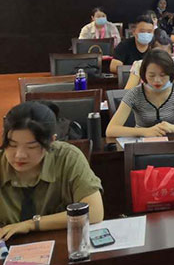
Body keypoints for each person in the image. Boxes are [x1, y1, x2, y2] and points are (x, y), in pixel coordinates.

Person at [0, 102, 104, 241]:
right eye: (12, 145)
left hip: (61, 246)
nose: (19, 155)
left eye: (31, 147)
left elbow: (95, 211)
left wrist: (32, 224)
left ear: (51, 141)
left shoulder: (68, 157)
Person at [106, 49, 174, 138]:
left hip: (172, 144)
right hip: (143, 145)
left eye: (162, 75)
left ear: (170, 74)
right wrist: (144, 131)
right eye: (151, 75)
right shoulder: (134, 93)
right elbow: (111, 130)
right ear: (144, 74)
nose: (157, 80)